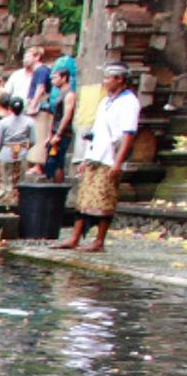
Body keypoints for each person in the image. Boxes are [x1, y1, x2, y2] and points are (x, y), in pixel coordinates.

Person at [53, 63, 141, 252]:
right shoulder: (105, 102)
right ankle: (75, 237)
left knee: (104, 199)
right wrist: (86, 158)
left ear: (120, 79)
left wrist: (118, 162)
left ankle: (99, 241)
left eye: (109, 78)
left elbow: (128, 134)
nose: (105, 82)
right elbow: (96, 131)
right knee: (84, 199)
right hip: (95, 154)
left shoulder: (129, 102)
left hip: (110, 158)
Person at [0, 94, 33, 207]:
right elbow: (33, 140)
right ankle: (17, 199)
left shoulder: (3, 123)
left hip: (6, 152)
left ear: (10, 108)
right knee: (19, 178)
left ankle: (3, 199)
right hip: (22, 151)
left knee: (4, 178)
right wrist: (26, 148)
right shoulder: (29, 122)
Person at [44, 65, 75, 183]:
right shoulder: (60, 93)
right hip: (55, 130)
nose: (53, 81)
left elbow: (67, 115)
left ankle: (57, 187)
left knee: (57, 162)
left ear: (64, 78)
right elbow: (55, 115)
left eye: (55, 78)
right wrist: (50, 134)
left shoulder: (69, 94)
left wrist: (58, 133)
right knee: (51, 162)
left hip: (63, 132)